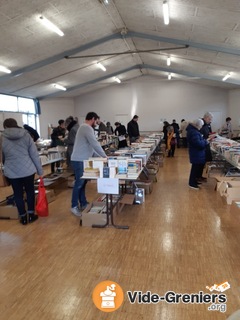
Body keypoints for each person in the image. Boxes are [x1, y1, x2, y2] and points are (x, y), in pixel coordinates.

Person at [2, 118, 43, 225]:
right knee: (30, 192)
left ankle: (23, 217)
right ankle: (31, 215)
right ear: (16, 125)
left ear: (5, 127)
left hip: (12, 171)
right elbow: (34, 154)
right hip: (28, 170)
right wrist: (40, 170)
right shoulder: (26, 135)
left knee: (17, 194)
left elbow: (2, 157)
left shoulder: (2, 138)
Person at [70, 112, 107, 217]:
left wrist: (101, 156)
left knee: (83, 183)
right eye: (96, 121)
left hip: (82, 160)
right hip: (79, 160)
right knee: (79, 183)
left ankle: (83, 203)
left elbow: (90, 147)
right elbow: (95, 143)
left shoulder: (84, 127)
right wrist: (104, 156)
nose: (97, 123)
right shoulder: (86, 128)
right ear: (93, 119)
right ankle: (73, 206)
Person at [186, 119, 209, 190]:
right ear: (197, 125)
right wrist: (206, 142)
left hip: (196, 153)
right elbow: (199, 144)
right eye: (201, 126)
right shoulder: (194, 132)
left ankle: (194, 181)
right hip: (196, 153)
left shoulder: (193, 131)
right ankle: (192, 183)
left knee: (196, 168)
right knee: (195, 169)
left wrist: (203, 140)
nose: (201, 127)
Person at [199, 112, 213, 181]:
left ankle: (199, 176)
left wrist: (210, 135)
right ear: (206, 118)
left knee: (202, 163)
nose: (210, 121)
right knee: (200, 163)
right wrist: (208, 138)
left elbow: (207, 133)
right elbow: (201, 136)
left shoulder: (206, 125)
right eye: (209, 119)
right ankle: (198, 176)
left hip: (205, 144)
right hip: (203, 146)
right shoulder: (202, 125)